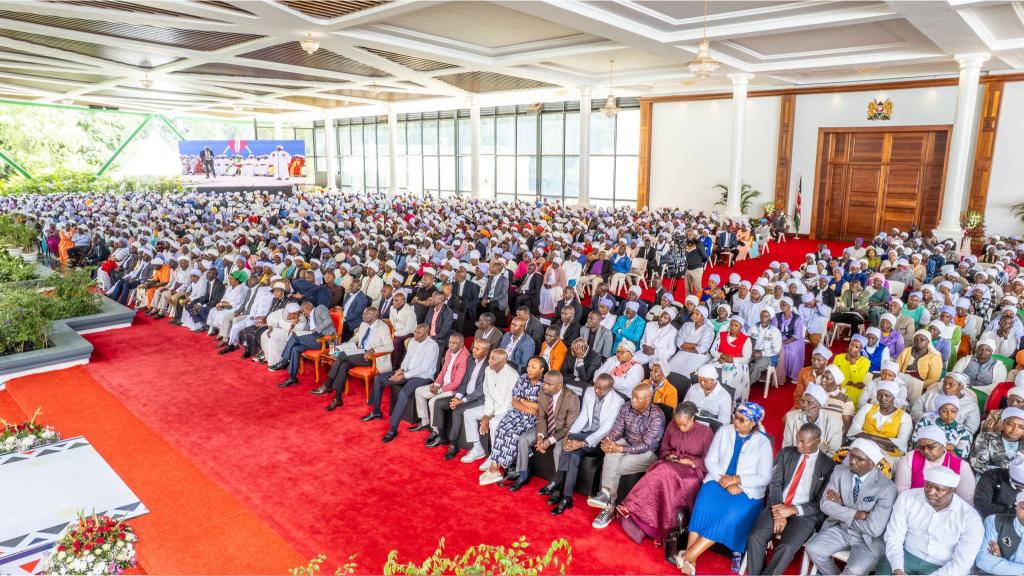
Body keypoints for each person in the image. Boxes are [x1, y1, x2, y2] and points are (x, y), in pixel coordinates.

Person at [674, 403, 773, 576]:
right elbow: (710, 461)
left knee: (729, 515)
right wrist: (724, 480)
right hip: (717, 479)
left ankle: (687, 556)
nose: (736, 421)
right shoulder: (724, 431)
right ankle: (691, 560)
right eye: (735, 417)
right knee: (703, 506)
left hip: (746, 490)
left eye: (742, 420)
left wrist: (736, 480)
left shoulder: (763, 442)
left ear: (753, 423)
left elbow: (764, 477)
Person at [746, 423, 836, 576]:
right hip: (778, 505)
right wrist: (779, 511)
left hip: (805, 515)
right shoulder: (786, 453)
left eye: (803, 442)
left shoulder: (829, 465)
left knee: (787, 547)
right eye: (797, 440)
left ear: (817, 441)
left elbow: (821, 502)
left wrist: (793, 510)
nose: (798, 445)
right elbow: (775, 484)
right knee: (755, 537)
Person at [617, 401, 713, 544]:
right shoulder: (672, 425)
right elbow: (664, 448)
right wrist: (668, 456)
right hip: (670, 465)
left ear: (692, 418)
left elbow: (710, 461)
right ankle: (645, 522)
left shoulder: (705, 433)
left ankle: (631, 505)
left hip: (691, 474)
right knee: (660, 473)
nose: (680, 428)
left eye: (684, 425)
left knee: (662, 472)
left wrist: (692, 462)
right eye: (678, 424)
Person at [804, 439, 898, 576]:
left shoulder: (887, 488)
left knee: (854, 571)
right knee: (813, 549)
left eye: (860, 459)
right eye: (852, 455)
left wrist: (842, 508)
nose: (852, 461)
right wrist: (857, 514)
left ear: (872, 463)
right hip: (841, 529)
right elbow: (825, 504)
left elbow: (873, 529)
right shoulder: (839, 471)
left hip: (867, 540)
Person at [877, 466, 984, 576]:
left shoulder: (970, 519)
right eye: (928, 485)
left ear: (952, 490)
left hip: (943, 567)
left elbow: (961, 564)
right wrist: (898, 569)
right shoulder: (907, 498)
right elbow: (894, 536)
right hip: (905, 556)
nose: (931, 492)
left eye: (938, 489)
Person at [586, 383, 665, 529]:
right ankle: (605, 495)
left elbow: (646, 445)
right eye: (633, 396)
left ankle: (608, 507)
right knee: (611, 450)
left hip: (646, 453)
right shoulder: (626, 407)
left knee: (615, 467)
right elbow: (617, 429)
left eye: (637, 398)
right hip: (627, 442)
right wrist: (609, 439)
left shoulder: (657, 417)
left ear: (648, 399)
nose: (633, 400)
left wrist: (620, 448)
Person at [548, 374, 625, 515]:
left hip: (601, 440)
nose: (597, 390)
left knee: (571, 446)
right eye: (596, 386)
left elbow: (606, 429)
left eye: (601, 389)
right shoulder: (589, 391)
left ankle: (558, 481)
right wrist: (570, 434)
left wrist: (582, 443)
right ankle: (567, 497)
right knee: (573, 453)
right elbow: (583, 417)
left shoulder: (618, 401)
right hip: (586, 433)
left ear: (610, 388)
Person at [478, 356, 547, 485]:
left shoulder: (544, 385)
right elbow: (514, 401)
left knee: (513, 434)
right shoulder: (523, 378)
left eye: (534, 367)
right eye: (529, 366)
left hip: (531, 419)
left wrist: (522, 401)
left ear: (542, 370)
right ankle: (494, 467)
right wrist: (527, 404)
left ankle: (496, 469)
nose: (529, 369)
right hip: (516, 414)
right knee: (501, 429)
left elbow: (539, 409)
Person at [509, 370, 580, 491]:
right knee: (523, 439)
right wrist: (541, 436)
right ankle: (523, 473)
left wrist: (549, 441)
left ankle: (558, 483)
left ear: (559, 385)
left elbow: (569, 427)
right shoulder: (543, 392)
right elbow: (541, 417)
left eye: (549, 384)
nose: (545, 386)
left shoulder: (572, 398)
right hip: (546, 427)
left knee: (558, 450)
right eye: (544, 383)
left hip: (562, 432)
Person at [319, 306, 394, 409]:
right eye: (364, 313)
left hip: (372, 358)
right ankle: (337, 398)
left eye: (366, 314)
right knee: (344, 365)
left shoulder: (383, 327)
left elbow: (390, 346)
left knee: (341, 356)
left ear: (374, 316)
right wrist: (343, 347)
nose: (363, 315)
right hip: (359, 353)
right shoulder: (363, 324)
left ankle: (327, 384)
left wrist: (373, 350)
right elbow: (355, 339)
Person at [362, 324, 438, 423]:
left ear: (426, 335)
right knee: (378, 379)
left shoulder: (432, 346)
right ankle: (376, 411)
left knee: (403, 393)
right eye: (415, 331)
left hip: (423, 377)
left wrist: (404, 375)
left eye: (419, 333)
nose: (415, 334)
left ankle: (393, 427)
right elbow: (407, 359)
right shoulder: (412, 342)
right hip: (407, 373)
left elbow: (424, 368)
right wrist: (401, 369)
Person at [431, 339, 492, 455]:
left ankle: (453, 445)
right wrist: (458, 397)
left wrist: (462, 401)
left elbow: (480, 391)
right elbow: (464, 382)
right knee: (438, 403)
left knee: (457, 410)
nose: (473, 350)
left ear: (486, 351)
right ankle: (441, 436)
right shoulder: (470, 360)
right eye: (474, 347)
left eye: (477, 349)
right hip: (464, 395)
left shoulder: (489, 366)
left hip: (479, 399)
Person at [459, 348, 519, 464]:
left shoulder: (513, 375)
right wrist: (487, 414)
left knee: (494, 423)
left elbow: (508, 402)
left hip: (506, 409)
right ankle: (477, 448)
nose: (489, 361)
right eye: (490, 357)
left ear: (503, 362)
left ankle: (494, 455)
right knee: (468, 413)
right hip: (491, 406)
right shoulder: (488, 370)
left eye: (492, 359)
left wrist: (490, 416)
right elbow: (488, 395)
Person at [894, 425, 976, 502]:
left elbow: (964, 501)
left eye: (930, 447)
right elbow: (901, 490)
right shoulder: (910, 458)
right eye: (921, 447)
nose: (925, 451)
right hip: (912, 504)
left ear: (943, 445)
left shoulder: (962, 467)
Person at [410, 333, 468, 432]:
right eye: (450, 342)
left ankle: (435, 431)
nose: (450, 345)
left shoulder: (464, 358)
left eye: (454, 343)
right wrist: (436, 384)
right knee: (418, 391)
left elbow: (457, 383)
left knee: (432, 402)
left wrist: (440, 390)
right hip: (442, 385)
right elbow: (443, 370)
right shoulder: (449, 351)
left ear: (461, 344)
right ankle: (425, 421)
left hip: (453, 390)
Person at [273, 301, 338, 388]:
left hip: (324, 339)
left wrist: (316, 329)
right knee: (295, 349)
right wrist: (295, 326)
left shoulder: (320, 308)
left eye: (303, 311)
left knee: (295, 336)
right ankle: (292, 378)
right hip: (313, 339)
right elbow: (305, 331)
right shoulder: (309, 318)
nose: (303, 313)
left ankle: (284, 361)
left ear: (307, 307)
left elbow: (328, 321)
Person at [847, 381, 913, 462]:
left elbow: (901, 442)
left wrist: (870, 437)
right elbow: (854, 430)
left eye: (887, 395)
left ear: (894, 397)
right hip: (863, 447)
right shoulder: (867, 408)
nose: (883, 398)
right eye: (880, 395)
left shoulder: (905, 417)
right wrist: (882, 444)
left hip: (888, 454)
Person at [783, 384, 843, 457]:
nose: (804, 405)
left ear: (820, 405)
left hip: (821, 461)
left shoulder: (835, 423)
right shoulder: (791, 417)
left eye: (810, 403)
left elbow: (833, 452)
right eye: (803, 401)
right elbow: (786, 448)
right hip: (796, 458)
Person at [912, 372, 981, 434]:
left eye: (951, 384)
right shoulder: (932, 392)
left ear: (961, 386)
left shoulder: (970, 404)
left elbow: (971, 428)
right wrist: (927, 422)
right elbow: (916, 409)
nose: (946, 387)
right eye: (944, 383)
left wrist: (949, 433)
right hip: (924, 430)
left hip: (952, 437)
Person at [974, 492, 1024, 575]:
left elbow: (990, 564)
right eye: (1023, 508)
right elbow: (982, 560)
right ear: (1016, 506)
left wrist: (998, 563)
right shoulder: (994, 522)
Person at [911, 394, 974, 459]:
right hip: (921, 459)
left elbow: (960, 457)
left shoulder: (965, 432)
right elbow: (916, 445)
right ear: (938, 411)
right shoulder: (925, 422)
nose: (949, 414)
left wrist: (932, 447)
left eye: (953, 411)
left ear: (957, 412)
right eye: (944, 411)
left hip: (949, 464)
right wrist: (948, 447)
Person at [896, 330, 944, 403]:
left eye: (922, 340)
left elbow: (934, 379)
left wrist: (917, 386)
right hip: (902, 380)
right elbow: (897, 367)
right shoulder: (907, 351)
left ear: (928, 341)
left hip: (921, 385)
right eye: (916, 339)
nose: (918, 341)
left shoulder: (935, 356)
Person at [972, 407, 1024, 474]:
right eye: (1011, 424)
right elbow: (978, 464)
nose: (1015, 429)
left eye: (1021, 427)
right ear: (1002, 424)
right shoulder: (985, 438)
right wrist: (1008, 474)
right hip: (987, 478)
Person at [668, 305, 714, 378]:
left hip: (699, 356)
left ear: (703, 317)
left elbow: (702, 349)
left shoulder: (709, 330)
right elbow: (679, 343)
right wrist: (696, 345)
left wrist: (685, 346)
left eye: (697, 314)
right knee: (670, 369)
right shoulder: (687, 325)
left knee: (689, 375)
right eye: (694, 313)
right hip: (684, 352)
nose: (694, 315)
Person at [683, 364, 732, 428]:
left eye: (706, 381)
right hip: (688, 424)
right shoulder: (693, 388)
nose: (702, 383)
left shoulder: (724, 397)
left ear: (714, 380)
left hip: (708, 428)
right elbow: (683, 406)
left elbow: (724, 422)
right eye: (700, 380)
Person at [773, 297, 805, 386]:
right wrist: (778, 341)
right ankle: (780, 373)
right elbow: (774, 330)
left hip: (794, 339)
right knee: (777, 350)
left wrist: (785, 342)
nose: (782, 306)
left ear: (790, 306)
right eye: (781, 304)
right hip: (779, 338)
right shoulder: (777, 316)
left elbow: (797, 335)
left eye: (785, 304)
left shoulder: (797, 318)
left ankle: (795, 375)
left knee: (793, 353)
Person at [748, 307, 782, 387]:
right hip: (752, 352)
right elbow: (747, 342)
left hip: (768, 356)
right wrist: (751, 351)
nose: (763, 318)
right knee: (743, 362)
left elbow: (776, 350)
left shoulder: (775, 331)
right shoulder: (752, 328)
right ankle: (739, 383)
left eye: (766, 316)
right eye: (761, 315)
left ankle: (745, 387)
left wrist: (762, 353)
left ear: (770, 318)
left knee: (756, 366)